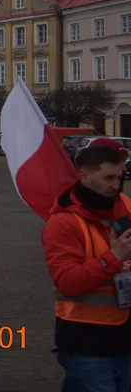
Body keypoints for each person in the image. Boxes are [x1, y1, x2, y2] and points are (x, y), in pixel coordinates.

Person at [42, 137, 131, 391]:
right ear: (83, 176)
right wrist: (113, 259)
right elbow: (67, 283)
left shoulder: (124, 206)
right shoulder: (63, 223)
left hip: (125, 339)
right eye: (108, 178)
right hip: (88, 341)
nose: (116, 186)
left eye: (118, 177)